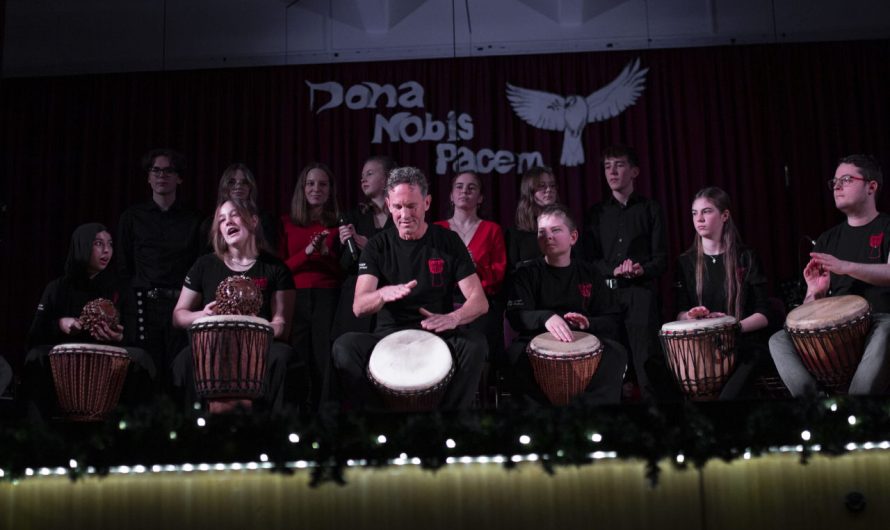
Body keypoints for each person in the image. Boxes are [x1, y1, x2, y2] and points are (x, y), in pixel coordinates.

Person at [331, 167, 489, 410]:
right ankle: (378, 423)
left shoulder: (448, 241)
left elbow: (479, 301)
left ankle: (448, 421)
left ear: (426, 203)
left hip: (438, 331)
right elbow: (359, 306)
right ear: (388, 205)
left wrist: (452, 318)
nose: (404, 214)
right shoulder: (377, 246)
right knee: (344, 347)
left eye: (412, 206)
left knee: (475, 345)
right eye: (398, 207)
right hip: (388, 334)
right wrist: (382, 293)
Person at [770, 155, 890, 396]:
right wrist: (815, 292)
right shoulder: (827, 240)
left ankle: (857, 402)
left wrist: (845, 266)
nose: (836, 186)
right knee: (779, 340)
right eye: (834, 181)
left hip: (879, 319)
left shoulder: (887, 227)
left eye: (846, 179)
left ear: (871, 186)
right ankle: (814, 400)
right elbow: (808, 308)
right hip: (837, 330)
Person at [172, 199, 297, 412]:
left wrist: (253, 325)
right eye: (221, 219)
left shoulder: (276, 269)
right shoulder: (205, 265)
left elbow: (281, 325)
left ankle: (275, 432)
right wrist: (202, 314)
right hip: (214, 345)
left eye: (234, 215)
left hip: (259, 348)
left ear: (254, 221)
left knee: (283, 357)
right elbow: (178, 316)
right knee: (185, 359)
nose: (227, 221)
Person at [23, 223, 156, 418]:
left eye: (110, 244)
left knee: (142, 359)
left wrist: (119, 336)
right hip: (66, 365)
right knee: (35, 356)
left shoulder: (121, 288)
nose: (106, 250)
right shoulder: (58, 288)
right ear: (82, 246)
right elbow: (33, 337)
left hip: (109, 366)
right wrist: (60, 324)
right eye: (98, 243)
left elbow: (134, 335)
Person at [505, 205, 627, 405]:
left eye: (556, 230)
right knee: (514, 355)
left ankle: (591, 415)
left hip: (584, 338)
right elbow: (516, 316)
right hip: (536, 339)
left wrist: (588, 323)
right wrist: (546, 317)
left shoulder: (590, 273)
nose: (548, 236)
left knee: (616, 352)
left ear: (573, 237)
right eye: (542, 232)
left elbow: (612, 319)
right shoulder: (525, 273)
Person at [582, 145, 668, 400]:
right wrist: (614, 270)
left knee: (645, 364)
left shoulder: (650, 209)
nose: (612, 172)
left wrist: (641, 269)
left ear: (634, 171)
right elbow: (589, 260)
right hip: (607, 297)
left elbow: (661, 260)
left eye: (619, 165)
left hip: (641, 294)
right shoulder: (596, 214)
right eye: (608, 167)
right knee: (610, 364)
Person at [674, 187, 774, 399]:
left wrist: (732, 327)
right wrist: (689, 316)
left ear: (725, 215)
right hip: (704, 347)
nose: (699, 219)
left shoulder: (746, 257)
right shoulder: (686, 262)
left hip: (744, 345)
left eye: (707, 211)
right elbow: (679, 312)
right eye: (694, 213)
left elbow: (764, 314)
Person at [117, 148, 202, 389]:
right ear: (148, 177)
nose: (161, 175)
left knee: (178, 373)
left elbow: (198, 268)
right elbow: (123, 267)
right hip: (143, 306)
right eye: (156, 170)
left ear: (179, 178)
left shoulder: (194, 219)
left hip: (180, 307)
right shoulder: (132, 217)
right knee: (144, 373)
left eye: (168, 170)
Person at [279, 163, 343, 408]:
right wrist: (307, 252)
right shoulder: (287, 223)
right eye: (311, 183)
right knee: (298, 356)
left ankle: (326, 414)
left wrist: (326, 253)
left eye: (322, 184)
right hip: (296, 297)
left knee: (324, 358)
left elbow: (343, 273)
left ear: (330, 190)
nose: (316, 188)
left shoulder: (337, 224)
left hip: (328, 296)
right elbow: (282, 268)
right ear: (302, 188)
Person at [434, 171, 507, 364]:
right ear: (451, 195)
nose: (464, 191)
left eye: (471, 188)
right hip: (444, 301)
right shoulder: (437, 229)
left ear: (480, 197)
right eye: (459, 186)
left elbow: (499, 273)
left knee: (481, 341)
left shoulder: (492, 230)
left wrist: (474, 269)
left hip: (481, 301)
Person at [334, 155, 396, 336]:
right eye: (362, 175)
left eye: (370, 173)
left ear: (387, 178)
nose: (363, 179)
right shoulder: (353, 217)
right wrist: (346, 244)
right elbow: (346, 265)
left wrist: (369, 248)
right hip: (356, 301)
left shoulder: (402, 216)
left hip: (390, 303)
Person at [200, 163, 278, 252]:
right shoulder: (208, 224)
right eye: (232, 182)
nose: (238, 186)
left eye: (244, 182)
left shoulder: (265, 220)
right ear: (224, 187)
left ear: (250, 188)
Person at [505, 166, 559, 272]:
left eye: (552, 186)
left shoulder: (566, 226)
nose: (549, 190)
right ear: (529, 191)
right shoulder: (515, 233)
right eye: (541, 186)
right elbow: (511, 273)